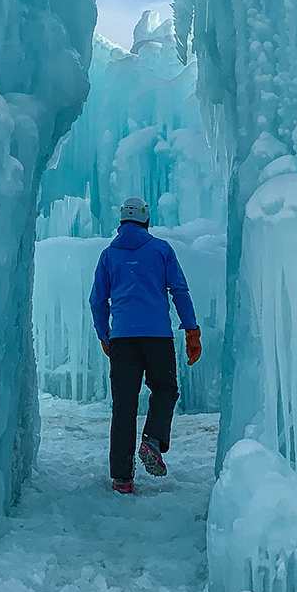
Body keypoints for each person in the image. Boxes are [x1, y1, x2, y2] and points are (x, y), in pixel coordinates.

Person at [88, 197, 202, 494]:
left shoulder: (108, 255)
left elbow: (97, 300)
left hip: (123, 338)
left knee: (123, 406)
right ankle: (152, 439)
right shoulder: (161, 250)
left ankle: (122, 478)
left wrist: (104, 334)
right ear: (146, 221)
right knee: (165, 388)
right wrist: (191, 329)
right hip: (157, 337)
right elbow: (179, 289)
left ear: (122, 223)